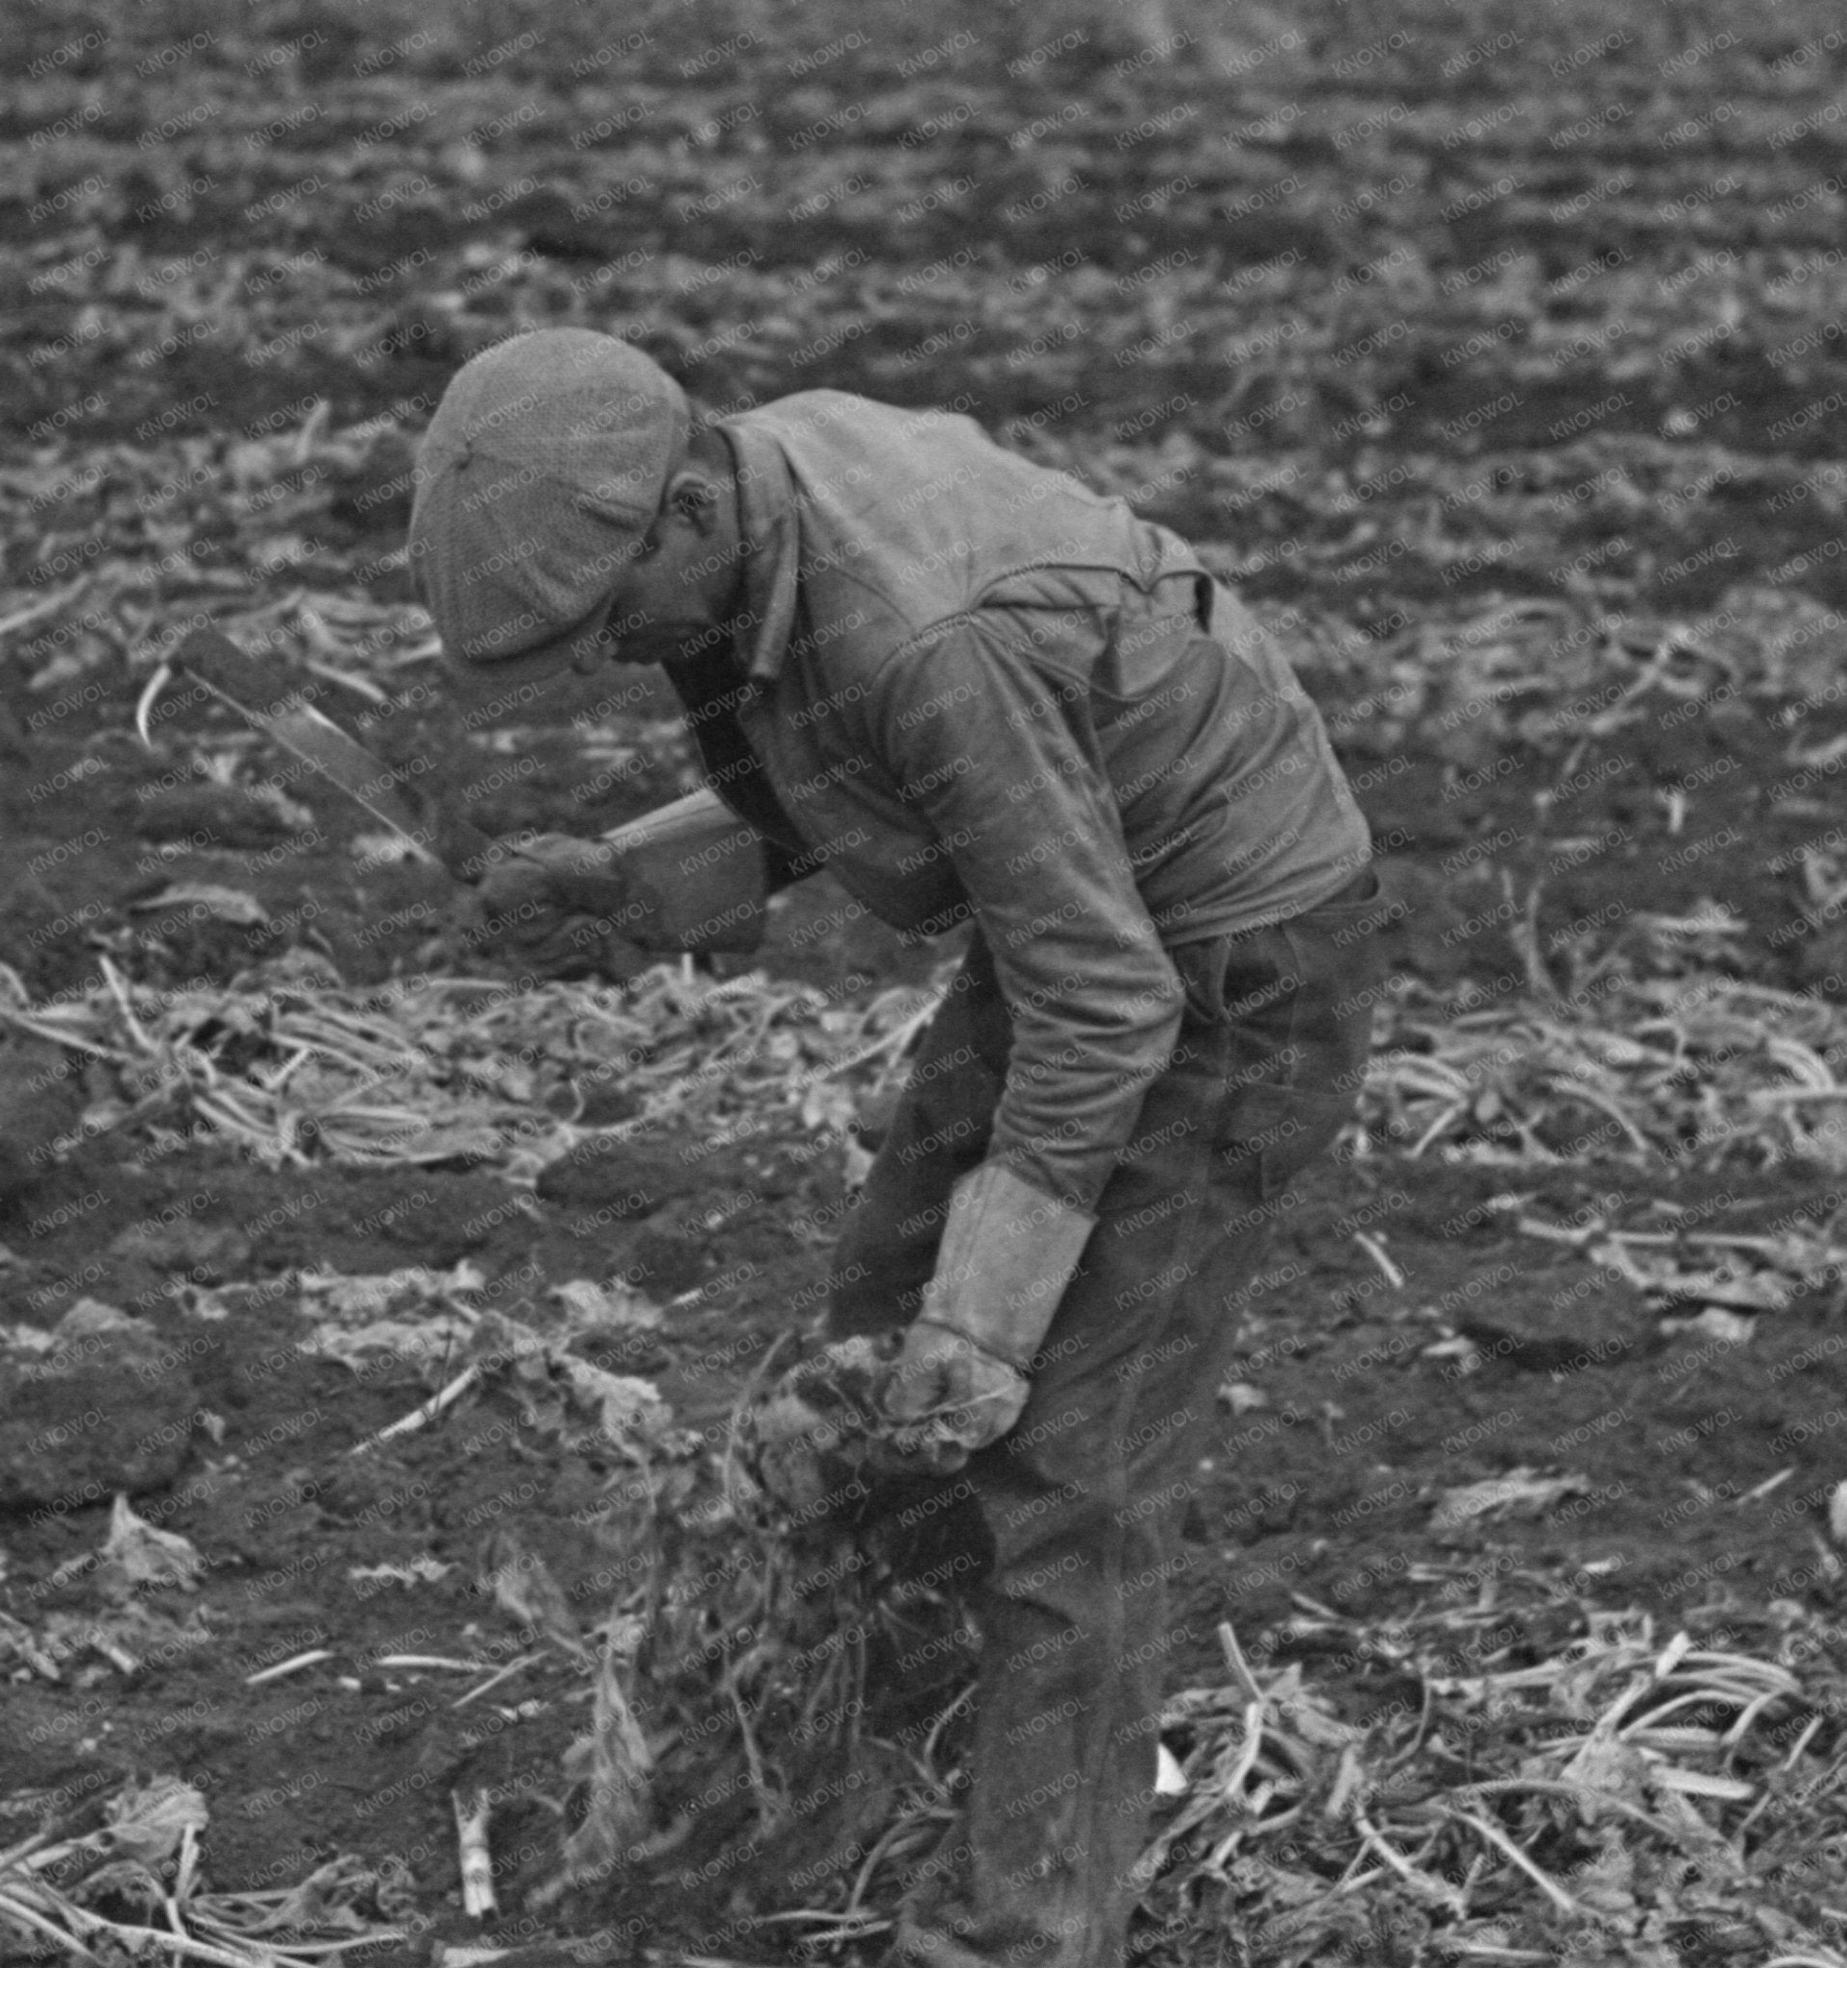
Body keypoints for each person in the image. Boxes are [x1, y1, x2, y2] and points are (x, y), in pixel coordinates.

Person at [406, 328, 1394, 1966]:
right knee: (877, 1337)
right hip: (1087, 915)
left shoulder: (926, 636)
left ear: (678, 515)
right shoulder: (755, 498)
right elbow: (858, 775)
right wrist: (629, 880)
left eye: (603, 625)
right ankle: (924, 1762)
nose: (607, 662)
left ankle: (1028, 1931)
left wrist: (989, 1322)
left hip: (1229, 968)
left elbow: (1101, 1002)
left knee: (1062, 1458)